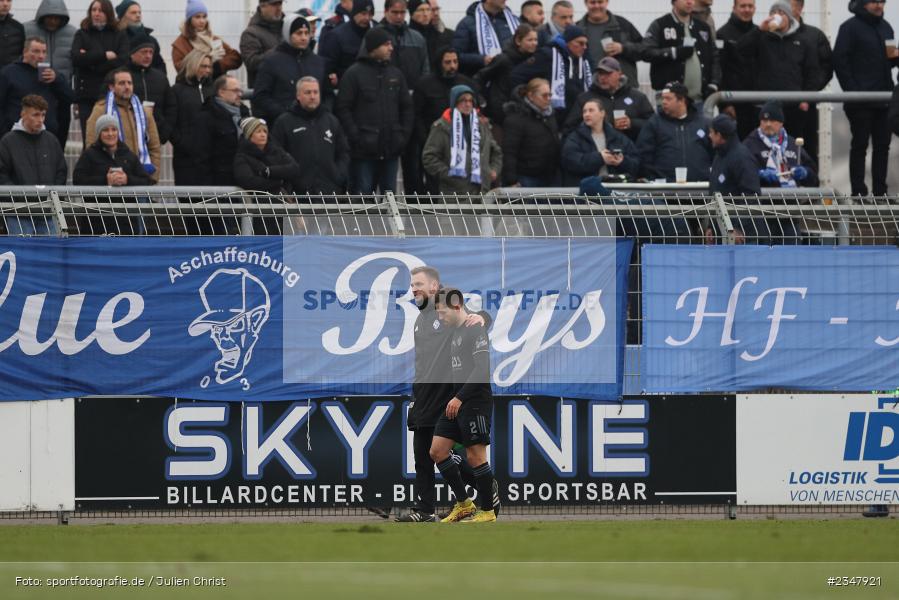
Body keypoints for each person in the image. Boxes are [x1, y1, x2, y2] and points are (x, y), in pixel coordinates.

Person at [398, 267, 497, 523]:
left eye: (418, 283)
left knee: (454, 453)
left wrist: (483, 317)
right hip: (423, 396)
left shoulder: (444, 312)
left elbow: (472, 318)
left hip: (446, 397)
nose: (413, 288)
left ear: (435, 287)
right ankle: (426, 510)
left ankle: (486, 490)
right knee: (425, 454)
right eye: (412, 284)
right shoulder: (422, 318)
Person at [430, 287, 497, 523]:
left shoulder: (474, 328)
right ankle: (465, 504)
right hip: (456, 401)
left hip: (474, 401)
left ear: (457, 306)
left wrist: (459, 397)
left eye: (442, 312)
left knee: (476, 457)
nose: (440, 317)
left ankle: (488, 511)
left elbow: (482, 371)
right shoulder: (455, 331)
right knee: (437, 450)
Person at [833, 0, 898, 198]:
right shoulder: (849, 28)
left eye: (882, 1)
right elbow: (840, 60)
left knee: (882, 147)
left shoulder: (886, 27)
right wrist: (853, 91)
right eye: (874, 1)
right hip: (859, 102)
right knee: (859, 145)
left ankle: (880, 193)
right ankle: (858, 192)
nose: (879, 6)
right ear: (863, 3)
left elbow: (890, 58)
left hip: (884, 100)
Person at [336, 27, 413, 194]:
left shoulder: (395, 74)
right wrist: (356, 137)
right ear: (373, 47)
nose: (391, 48)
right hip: (363, 153)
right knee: (362, 197)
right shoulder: (353, 74)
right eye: (386, 44)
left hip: (391, 149)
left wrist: (402, 136)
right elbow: (343, 108)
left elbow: (407, 107)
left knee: (390, 198)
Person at [737, 2, 814, 156]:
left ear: (789, 17)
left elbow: (812, 70)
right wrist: (759, 30)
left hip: (793, 105)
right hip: (766, 105)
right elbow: (741, 49)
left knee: (793, 148)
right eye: (774, 12)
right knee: (762, 148)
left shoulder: (801, 40)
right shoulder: (761, 37)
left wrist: (806, 96)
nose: (777, 15)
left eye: (781, 12)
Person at [380, 0, 430, 195]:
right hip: (385, 111)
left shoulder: (417, 38)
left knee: (414, 168)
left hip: (411, 109)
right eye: (395, 12)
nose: (399, 16)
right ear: (386, 12)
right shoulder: (377, 37)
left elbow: (425, 72)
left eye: (402, 12)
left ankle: (414, 216)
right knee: (385, 171)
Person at [73, 113, 152, 235]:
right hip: (96, 223)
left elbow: (146, 181)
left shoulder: (128, 155)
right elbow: (78, 180)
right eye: (105, 130)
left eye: (114, 129)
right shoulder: (89, 155)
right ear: (99, 133)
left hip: (126, 223)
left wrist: (127, 180)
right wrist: (105, 181)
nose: (110, 134)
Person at [271, 77, 350, 195]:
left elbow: (343, 153)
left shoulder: (331, 120)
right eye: (308, 92)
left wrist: (338, 175)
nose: (312, 96)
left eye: (315, 92)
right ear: (298, 95)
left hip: (328, 192)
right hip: (297, 194)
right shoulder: (284, 122)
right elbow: (275, 155)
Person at [0, 94, 66, 235]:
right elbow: (2, 174)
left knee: (49, 254)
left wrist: (52, 197)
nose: (40, 120)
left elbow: (61, 171)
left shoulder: (51, 140)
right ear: (23, 114)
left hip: (47, 210)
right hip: (18, 211)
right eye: (35, 115)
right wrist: (17, 197)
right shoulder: (7, 142)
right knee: (23, 253)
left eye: (43, 115)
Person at [422, 84, 502, 194]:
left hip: (482, 192)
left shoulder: (481, 125)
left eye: (470, 101)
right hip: (455, 195)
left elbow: (496, 151)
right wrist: (450, 175)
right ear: (454, 102)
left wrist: (493, 171)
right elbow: (429, 158)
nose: (468, 104)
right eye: (463, 100)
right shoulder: (441, 126)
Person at [85, 67, 160, 182]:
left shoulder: (144, 112)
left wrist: (152, 177)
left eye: (129, 83)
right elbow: (91, 145)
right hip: (113, 180)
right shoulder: (100, 110)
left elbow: (154, 146)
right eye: (122, 83)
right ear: (111, 87)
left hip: (140, 179)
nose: (127, 87)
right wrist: (105, 178)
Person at [253, 14, 330, 126]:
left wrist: (323, 113)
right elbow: (261, 96)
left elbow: (328, 94)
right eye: (299, 33)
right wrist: (285, 114)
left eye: (306, 33)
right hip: (283, 126)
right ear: (288, 34)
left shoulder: (318, 62)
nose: (304, 37)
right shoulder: (271, 61)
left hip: (315, 125)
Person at [510, 25, 592, 127]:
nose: (584, 47)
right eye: (580, 43)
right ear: (568, 42)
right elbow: (517, 75)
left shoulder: (582, 60)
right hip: (550, 118)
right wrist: (530, 101)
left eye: (585, 43)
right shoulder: (547, 55)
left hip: (575, 118)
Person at [71, 0, 128, 142]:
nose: (96, 13)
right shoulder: (82, 34)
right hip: (86, 97)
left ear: (108, 13)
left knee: (112, 138)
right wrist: (104, 56)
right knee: (90, 139)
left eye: (101, 10)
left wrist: (90, 62)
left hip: (111, 96)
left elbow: (122, 61)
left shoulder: (119, 35)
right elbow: (76, 58)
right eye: (94, 10)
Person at [635, 81, 712, 182]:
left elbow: (715, 152)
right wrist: (652, 178)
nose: (663, 102)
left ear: (682, 100)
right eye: (663, 98)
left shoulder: (703, 123)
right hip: (665, 189)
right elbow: (643, 154)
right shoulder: (654, 123)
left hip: (700, 187)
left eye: (668, 98)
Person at [643, 0, 720, 101]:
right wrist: (674, 52)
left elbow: (714, 57)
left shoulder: (703, 27)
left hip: (699, 101)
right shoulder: (660, 24)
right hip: (669, 102)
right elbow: (645, 52)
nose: (689, 2)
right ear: (674, 1)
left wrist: (714, 83)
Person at [562, 56, 653, 139]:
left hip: (630, 151)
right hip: (596, 152)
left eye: (607, 73)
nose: (603, 77)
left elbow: (653, 125)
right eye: (600, 73)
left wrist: (632, 123)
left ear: (619, 74)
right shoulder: (585, 98)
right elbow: (569, 129)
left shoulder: (637, 97)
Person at [25, 0, 77, 146]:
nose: (53, 21)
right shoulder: (26, 29)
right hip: (33, 92)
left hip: (62, 95)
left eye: (57, 17)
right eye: (49, 17)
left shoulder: (73, 33)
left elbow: (77, 66)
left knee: (58, 141)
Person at [0, 37, 73, 140]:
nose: (41, 56)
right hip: (16, 135)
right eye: (36, 51)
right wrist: (4, 133)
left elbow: (69, 98)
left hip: (47, 136)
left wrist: (57, 79)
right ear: (25, 52)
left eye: (44, 52)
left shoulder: (52, 74)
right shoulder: (8, 73)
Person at [789, 0, 833, 163]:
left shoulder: (814, 36)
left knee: (807, 153)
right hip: (778, 107)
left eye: (790, 4)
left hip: (806, 107)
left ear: (800, 8)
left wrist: (809, 93)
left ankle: (810, 187)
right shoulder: (770, 36)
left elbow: (826, 67)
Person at [561, 98, 639, 184]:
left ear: (602, 113)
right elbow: (571, 162)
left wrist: (621, 162)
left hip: (614, 188)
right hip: (588, 189)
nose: (586, 114)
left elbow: (635, 163)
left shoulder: (618, 137)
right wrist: (600, 158)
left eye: (591, 111)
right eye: (584, 111)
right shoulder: (575, 137)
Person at [743, 100, 818, 188]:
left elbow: (814, 177)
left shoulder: (793, 144)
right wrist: (759, 175)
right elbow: (741, 172)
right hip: (763, 200)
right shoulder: (750, 144)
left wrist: (805, 173)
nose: (768, 124)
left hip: (792, 199)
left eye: (772, 120)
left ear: (781, 123)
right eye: (764, 120)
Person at [501, 78, 561, 186]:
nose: (548, 99)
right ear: (531, 96)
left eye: (550, 95)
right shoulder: (516, 119)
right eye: (544, 95)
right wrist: (512, 180)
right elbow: (509, 152)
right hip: (526, 178)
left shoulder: (551, 116)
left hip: (550, 176)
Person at [474, 24, 537, 126]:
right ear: (518, 41)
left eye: (535, 40)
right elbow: (480, 77)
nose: (534, 43)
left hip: (524, 110)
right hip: (501, 111)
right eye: (530, 40)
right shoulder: (503, 59)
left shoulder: (533, 61)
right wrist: (481, 100)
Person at [196, 74, 250, 186]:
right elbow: (202, 156)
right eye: (235, 91)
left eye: (240, 90)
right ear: (221, 92)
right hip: (220, 181)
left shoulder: (245, 114)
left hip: (244, 179)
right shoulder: (207, 117)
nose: (240, 94)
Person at [576, 0, 643, 86]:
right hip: (589, 88)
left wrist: (623, 48)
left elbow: (644, 50)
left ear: (607, 2)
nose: (596, 6)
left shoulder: (623, 25)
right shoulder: (577, 29)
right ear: (586, 3)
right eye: (592, 2)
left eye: (600, 2)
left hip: (621, 89)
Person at [170, 49, 212, 185]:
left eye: (209, 66)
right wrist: (183, 143)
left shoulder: (212, 90)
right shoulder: (177, 90)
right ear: (193, 65)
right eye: (203, 66)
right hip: (186, 157)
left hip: (210, 156)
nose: (208, 70)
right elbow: (171, 122)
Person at [717, 0, 757, 140]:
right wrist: (725, 104)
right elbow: (719, 71)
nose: (747, 10)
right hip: (734, 104)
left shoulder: (759, 33)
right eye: (743, 6)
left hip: (756, 102)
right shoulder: (722, 34)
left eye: (750, 6)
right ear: (734, 8)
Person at [126, 30, 175, 144]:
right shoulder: (120, 76)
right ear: (132, 53)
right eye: (144, 52)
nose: (148, 56)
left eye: (151, 52)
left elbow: (171, 106)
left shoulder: (160, 78)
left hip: (156, 136)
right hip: (128, 137)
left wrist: (165, 131)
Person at [171, 1, 242, 78]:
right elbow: (181, 69)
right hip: (192, 87)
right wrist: (209, 61)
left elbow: (236, 58)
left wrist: (218, 65)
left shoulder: (213, 39)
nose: (202, 21)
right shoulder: (180, 44)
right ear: (189, 19)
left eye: (204, 17)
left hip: (215, 86)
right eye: (197, 17)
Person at [233, 116, 299, 196]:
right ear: (249, 135)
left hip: (283, 202)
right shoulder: (242, 157)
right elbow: (248, 182)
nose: (263, 135)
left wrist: (269, 171)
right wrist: (279, 180)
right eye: (258, 132)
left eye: (265, 131)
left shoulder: (276, 150)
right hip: (258, 204)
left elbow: (294, 168)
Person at [453, 0, 520, 74]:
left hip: (513, 75)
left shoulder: (514, 21)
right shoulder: (466, 24)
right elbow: (456, 55)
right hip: (482, 77)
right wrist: (481, 60)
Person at [319, 0, 374, 83]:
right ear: (355, 13)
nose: (367, 18)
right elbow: (327, 68)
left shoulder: (376, 32)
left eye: (370, 14)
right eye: (363, 14)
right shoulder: (337, 35)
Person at [239, 0, 284, 88]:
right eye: (274, 4)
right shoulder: (250, 33)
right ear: (262, 7)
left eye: (280, 3)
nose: (279, 8)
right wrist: (279, 50)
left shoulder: (286, 29)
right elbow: (252, 63)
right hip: (265, 93)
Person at [115, 1, 165, 74]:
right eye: (133, 12)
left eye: (139, 12)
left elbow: (159, 64)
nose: (138, 15)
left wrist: (159, 79)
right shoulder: (117, 38)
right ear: (123, 16)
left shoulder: (151, 40)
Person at [0, 0, 24, 68]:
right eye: (1, 0)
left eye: (8, 0)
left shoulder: (18, 27)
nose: (5, 4)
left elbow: (23, 54)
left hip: (10, 75)